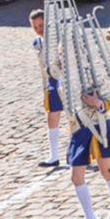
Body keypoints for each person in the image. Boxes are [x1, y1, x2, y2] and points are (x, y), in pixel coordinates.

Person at [67, 87, 110, 219]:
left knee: (106, 169)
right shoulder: (62, 70)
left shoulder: (91, 65)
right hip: (78, 129)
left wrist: (98, 102)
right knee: (75, 176)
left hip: (98, 125)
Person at [30, 9, 63, 167]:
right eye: (35, 27)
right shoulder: (36, 43)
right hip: (51, 81)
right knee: (52, 117)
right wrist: (45, 86)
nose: (39, 30)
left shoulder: (58, 38)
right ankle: (54, 156)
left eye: (41, 25)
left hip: (66, 79)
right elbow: (41, 66)